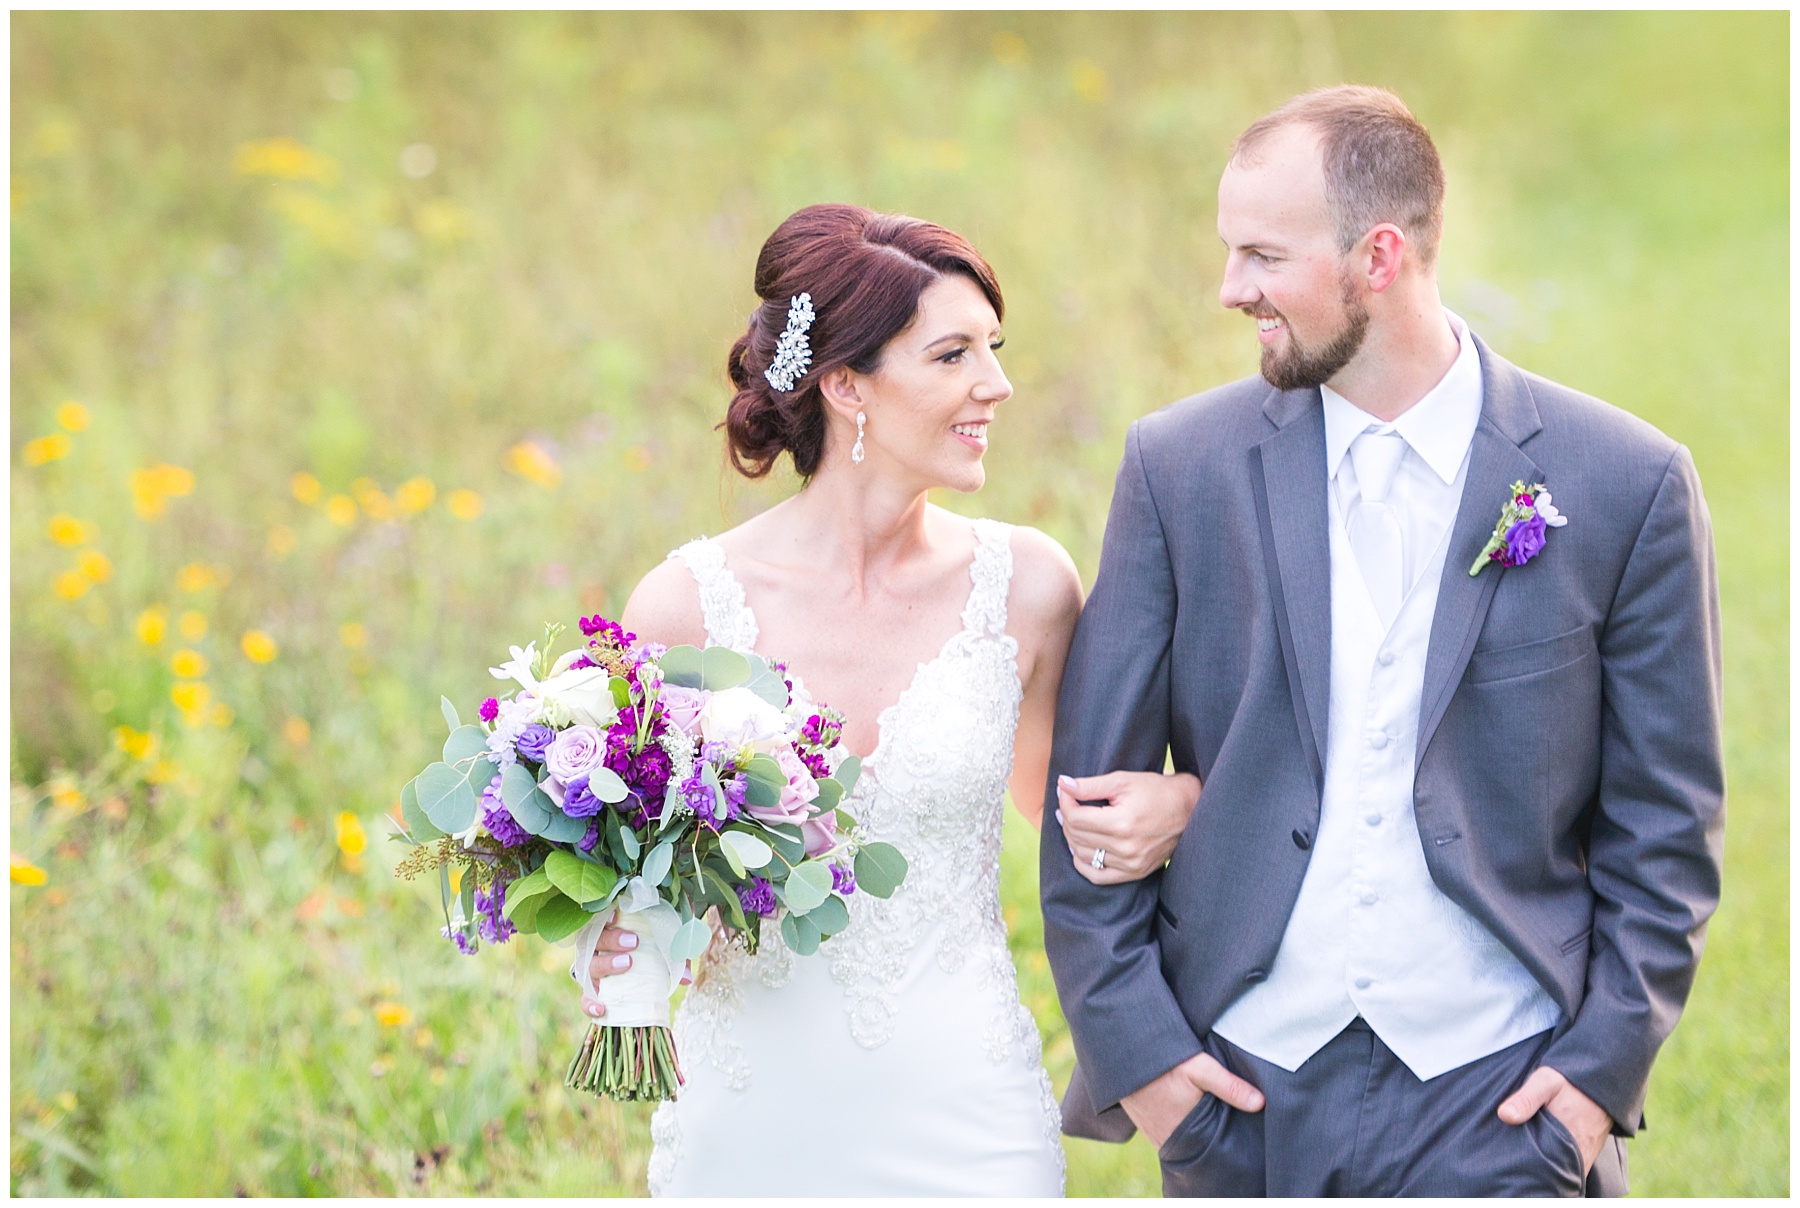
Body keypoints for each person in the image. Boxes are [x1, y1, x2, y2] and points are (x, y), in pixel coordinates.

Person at [1042, 86, 1724, 1197]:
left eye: (1263, 255)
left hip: (1502, 1094)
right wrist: (1152, 1065)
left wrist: (1595, 1079)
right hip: (1243, 1092)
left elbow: (1666, 823)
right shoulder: (1179, 469)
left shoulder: (1623, 481)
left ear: (1380, 255)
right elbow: (1090, 806)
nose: (1232, 289)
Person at [579, 203, 1202, 1195]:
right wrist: (608, 942)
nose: (995, 385)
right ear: (845, 385)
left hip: (968, 1109)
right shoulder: (686, 607)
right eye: (953, 355)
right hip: (748, 1117)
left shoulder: (1029, 586)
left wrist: (1180, 804)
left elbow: (1078, 824)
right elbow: (630, 876)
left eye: (994, 349)